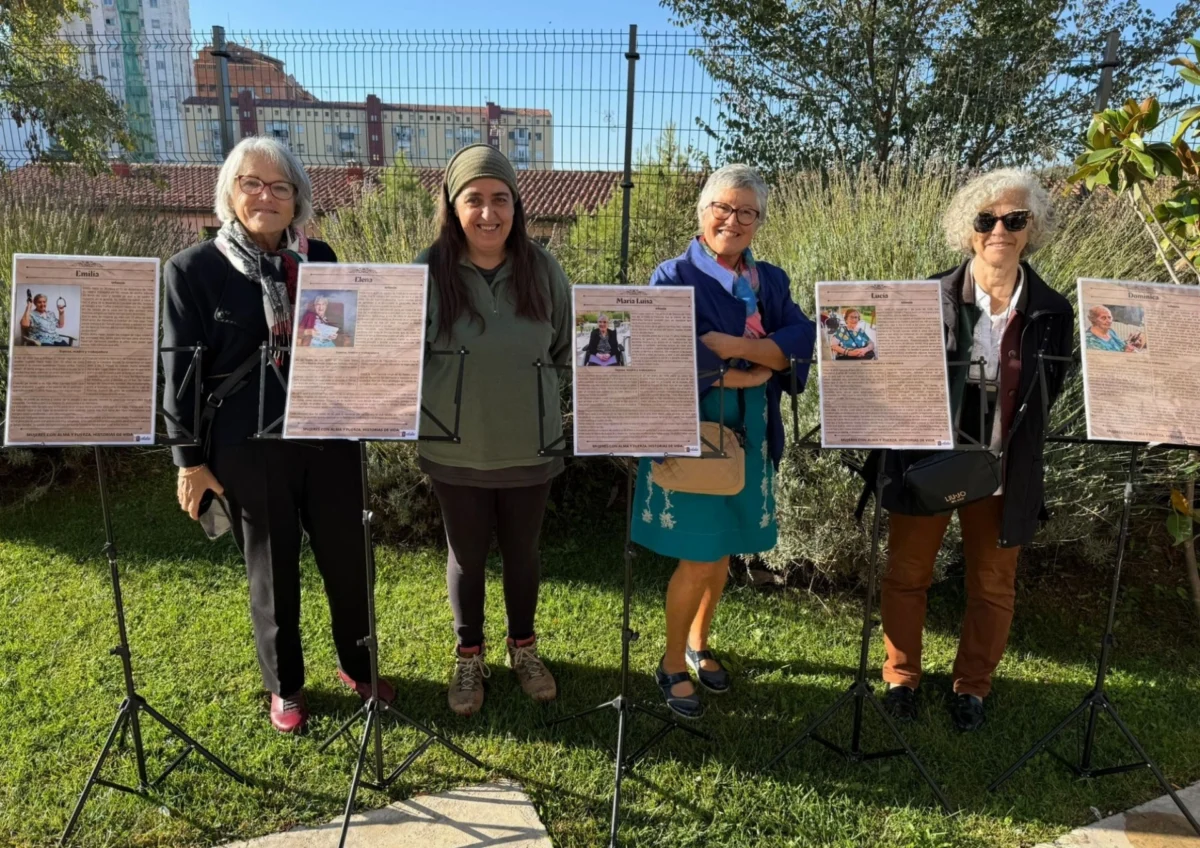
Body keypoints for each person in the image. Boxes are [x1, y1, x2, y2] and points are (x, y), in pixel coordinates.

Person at [162, 136, 390, 734]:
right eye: (252, 184)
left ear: (298, 199)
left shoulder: (321, 258)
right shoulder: (192, 271)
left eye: (281, 186)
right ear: (230, 195)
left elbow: (341, 349)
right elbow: (177, 372)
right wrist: (189, 461)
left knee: (348, 557)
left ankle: (358, 665)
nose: (267, 196)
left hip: (329, 434)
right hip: (245, 447)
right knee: (272, 567)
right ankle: (285, 686)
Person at [874, 168, 1074, 732]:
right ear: (968, 230)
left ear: (1031, 229)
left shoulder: (1053, 311)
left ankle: (973, 687)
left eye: (1015, 219)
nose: (1000, 231)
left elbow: (1048, 392)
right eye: (987, 220)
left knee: (992, 583)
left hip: (1005, 469)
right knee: (908, 574)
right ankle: (900, 678)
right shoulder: (927, 298)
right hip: (928, 464)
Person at [633, 164, 816, 719]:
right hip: (694, 438)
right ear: (702, 212)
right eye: (722, 208)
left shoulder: (772, 281)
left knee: (724, 552)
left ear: (758, 222)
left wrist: (737, 347)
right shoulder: (671, 279)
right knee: (697, 556)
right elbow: (662, 354)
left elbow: (803, 337)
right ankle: (669, 662)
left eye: (747, 212)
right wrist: (737, 369)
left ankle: (698, 642)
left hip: (754, 435)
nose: (733, 220)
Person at [416, 144, 572, 717]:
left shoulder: (543, 267)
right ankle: (468, 654)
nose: (488, 212)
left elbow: (564, 346)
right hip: (456, 445)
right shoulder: (426, 270)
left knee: (523, 550)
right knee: (468, 553)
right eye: (474, 199)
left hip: (530, 443)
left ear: (517, 205)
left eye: (500, 199)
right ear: (452, 206)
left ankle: (523, 648)